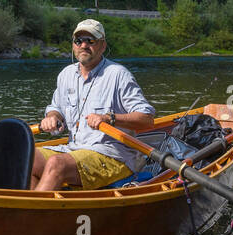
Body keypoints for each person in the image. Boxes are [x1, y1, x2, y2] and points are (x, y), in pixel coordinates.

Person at [31, 19, 155, 191]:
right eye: (78, 41)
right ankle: (40, 208)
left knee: (56, 164)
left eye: (90, 41)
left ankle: (34, 214)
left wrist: (110, 118)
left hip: (114, 156)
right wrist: (52, 117)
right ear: (73, 45)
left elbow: (147, 119)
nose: (83, 45)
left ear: (102, 46)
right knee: (26, 158)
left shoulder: (118, 74)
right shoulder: (66, 75)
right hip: (74, 149)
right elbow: (56, 108)